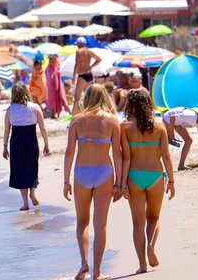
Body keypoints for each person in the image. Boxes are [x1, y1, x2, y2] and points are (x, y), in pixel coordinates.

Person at [63, 84, 122, 280]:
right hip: (104, 172)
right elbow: (118, 154)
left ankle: (84, 264)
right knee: (101, 225)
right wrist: (119, 183)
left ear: (86, 98)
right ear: (105, 97)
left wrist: (66, 181)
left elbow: (69, 152)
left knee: (82, 222)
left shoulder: (77, 120)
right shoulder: (113, 120)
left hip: (81, 173)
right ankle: (97, 272)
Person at [121, 89, 176, 274]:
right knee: (154, 217)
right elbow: (167, 157)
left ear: (130, 106)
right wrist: (172, 182)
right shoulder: (159, 127)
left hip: (134, 176)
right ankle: (151, 245)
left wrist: (121, 184)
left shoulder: (125, 128)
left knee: (137, 224)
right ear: (147, 104)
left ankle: (142, 265)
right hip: (155, 176)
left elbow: (125, 158)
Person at [3, 82, 51, 211]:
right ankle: (33, 193)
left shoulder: (10, 110)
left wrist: (4, 147)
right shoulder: (35, 107)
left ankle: (25, 203)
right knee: (32, 168)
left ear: (13, 94)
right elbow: (43, 128)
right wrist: (46, 144)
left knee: (19, 171)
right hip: (31, 142)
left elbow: (7, 131)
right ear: (26, 92)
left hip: (16, 143)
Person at [72, 38, 103, 115]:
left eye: (77, 44)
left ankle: (74, 116)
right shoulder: (89, 51)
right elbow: (99, 59)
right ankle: (89, 114)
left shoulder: (79, 52)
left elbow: (77, 64)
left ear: (80, 43)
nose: (77, 46)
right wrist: (91, 66)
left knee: (77, 98)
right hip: (89, 74)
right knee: (89, 97)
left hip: (82, 75)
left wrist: (74, 76)